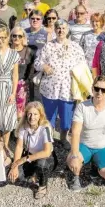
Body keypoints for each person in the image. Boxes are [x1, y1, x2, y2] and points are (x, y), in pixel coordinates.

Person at [67, 75, 105, 191]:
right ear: (92, 89)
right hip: (84, 145)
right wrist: (74, 154)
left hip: (102, 147)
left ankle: (96, 165)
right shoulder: (82, 107)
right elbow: (75, 132)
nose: (99, 92)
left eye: (103, 90)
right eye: (96, 89)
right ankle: (75, 175)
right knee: (72, 161)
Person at [34, 19, 85, 149]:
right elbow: (37, 63)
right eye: (58, 28)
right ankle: (48, 141)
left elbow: (83, 65)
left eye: (63, 28)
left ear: (67, 30)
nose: (61, 30)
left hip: (68, 90)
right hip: (50, 88)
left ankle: (63, 138)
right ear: (55, 30)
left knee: (66, 118)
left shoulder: (76, 47)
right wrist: (44, 66)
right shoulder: (48, 46)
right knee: (48, 116)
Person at [8, 101, 55, 199]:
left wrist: (24, 159)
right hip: (30, 156)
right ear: (26, 114)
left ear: (40, 115)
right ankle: (34, 175)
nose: (32, 117)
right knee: (17, 176)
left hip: (45, 157)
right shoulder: (23, 127)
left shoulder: (45, 128)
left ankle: (42, 186)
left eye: (35, 114)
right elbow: (19, 147)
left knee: (41, 165)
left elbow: (47, 152)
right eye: (29, 113)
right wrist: (15, 166)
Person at [10, 26, 35, 119]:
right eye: (14, 36)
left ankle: (17, 132)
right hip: (7, 83)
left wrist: (26, 84)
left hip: (22, 85)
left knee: (20, 113)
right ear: (11, 37)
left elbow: (31, 71)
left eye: (19, 36)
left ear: (23, 37)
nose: (16, 38)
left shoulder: (28, 51)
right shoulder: (7, 50)